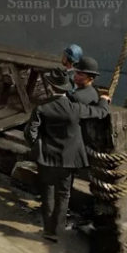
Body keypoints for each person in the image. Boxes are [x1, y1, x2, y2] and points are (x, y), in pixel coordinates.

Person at [27, 70, 112, 242]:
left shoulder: (41, 107)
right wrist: (103, 100)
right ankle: (58, 232)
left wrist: (37, 145)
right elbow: (101, 113)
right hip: (69, 159)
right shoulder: (75, 108)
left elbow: (30, 132)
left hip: (47, 158)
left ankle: (48, 230)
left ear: (51, 87)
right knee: (64, 194)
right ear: (67, 89)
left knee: (48, 192)